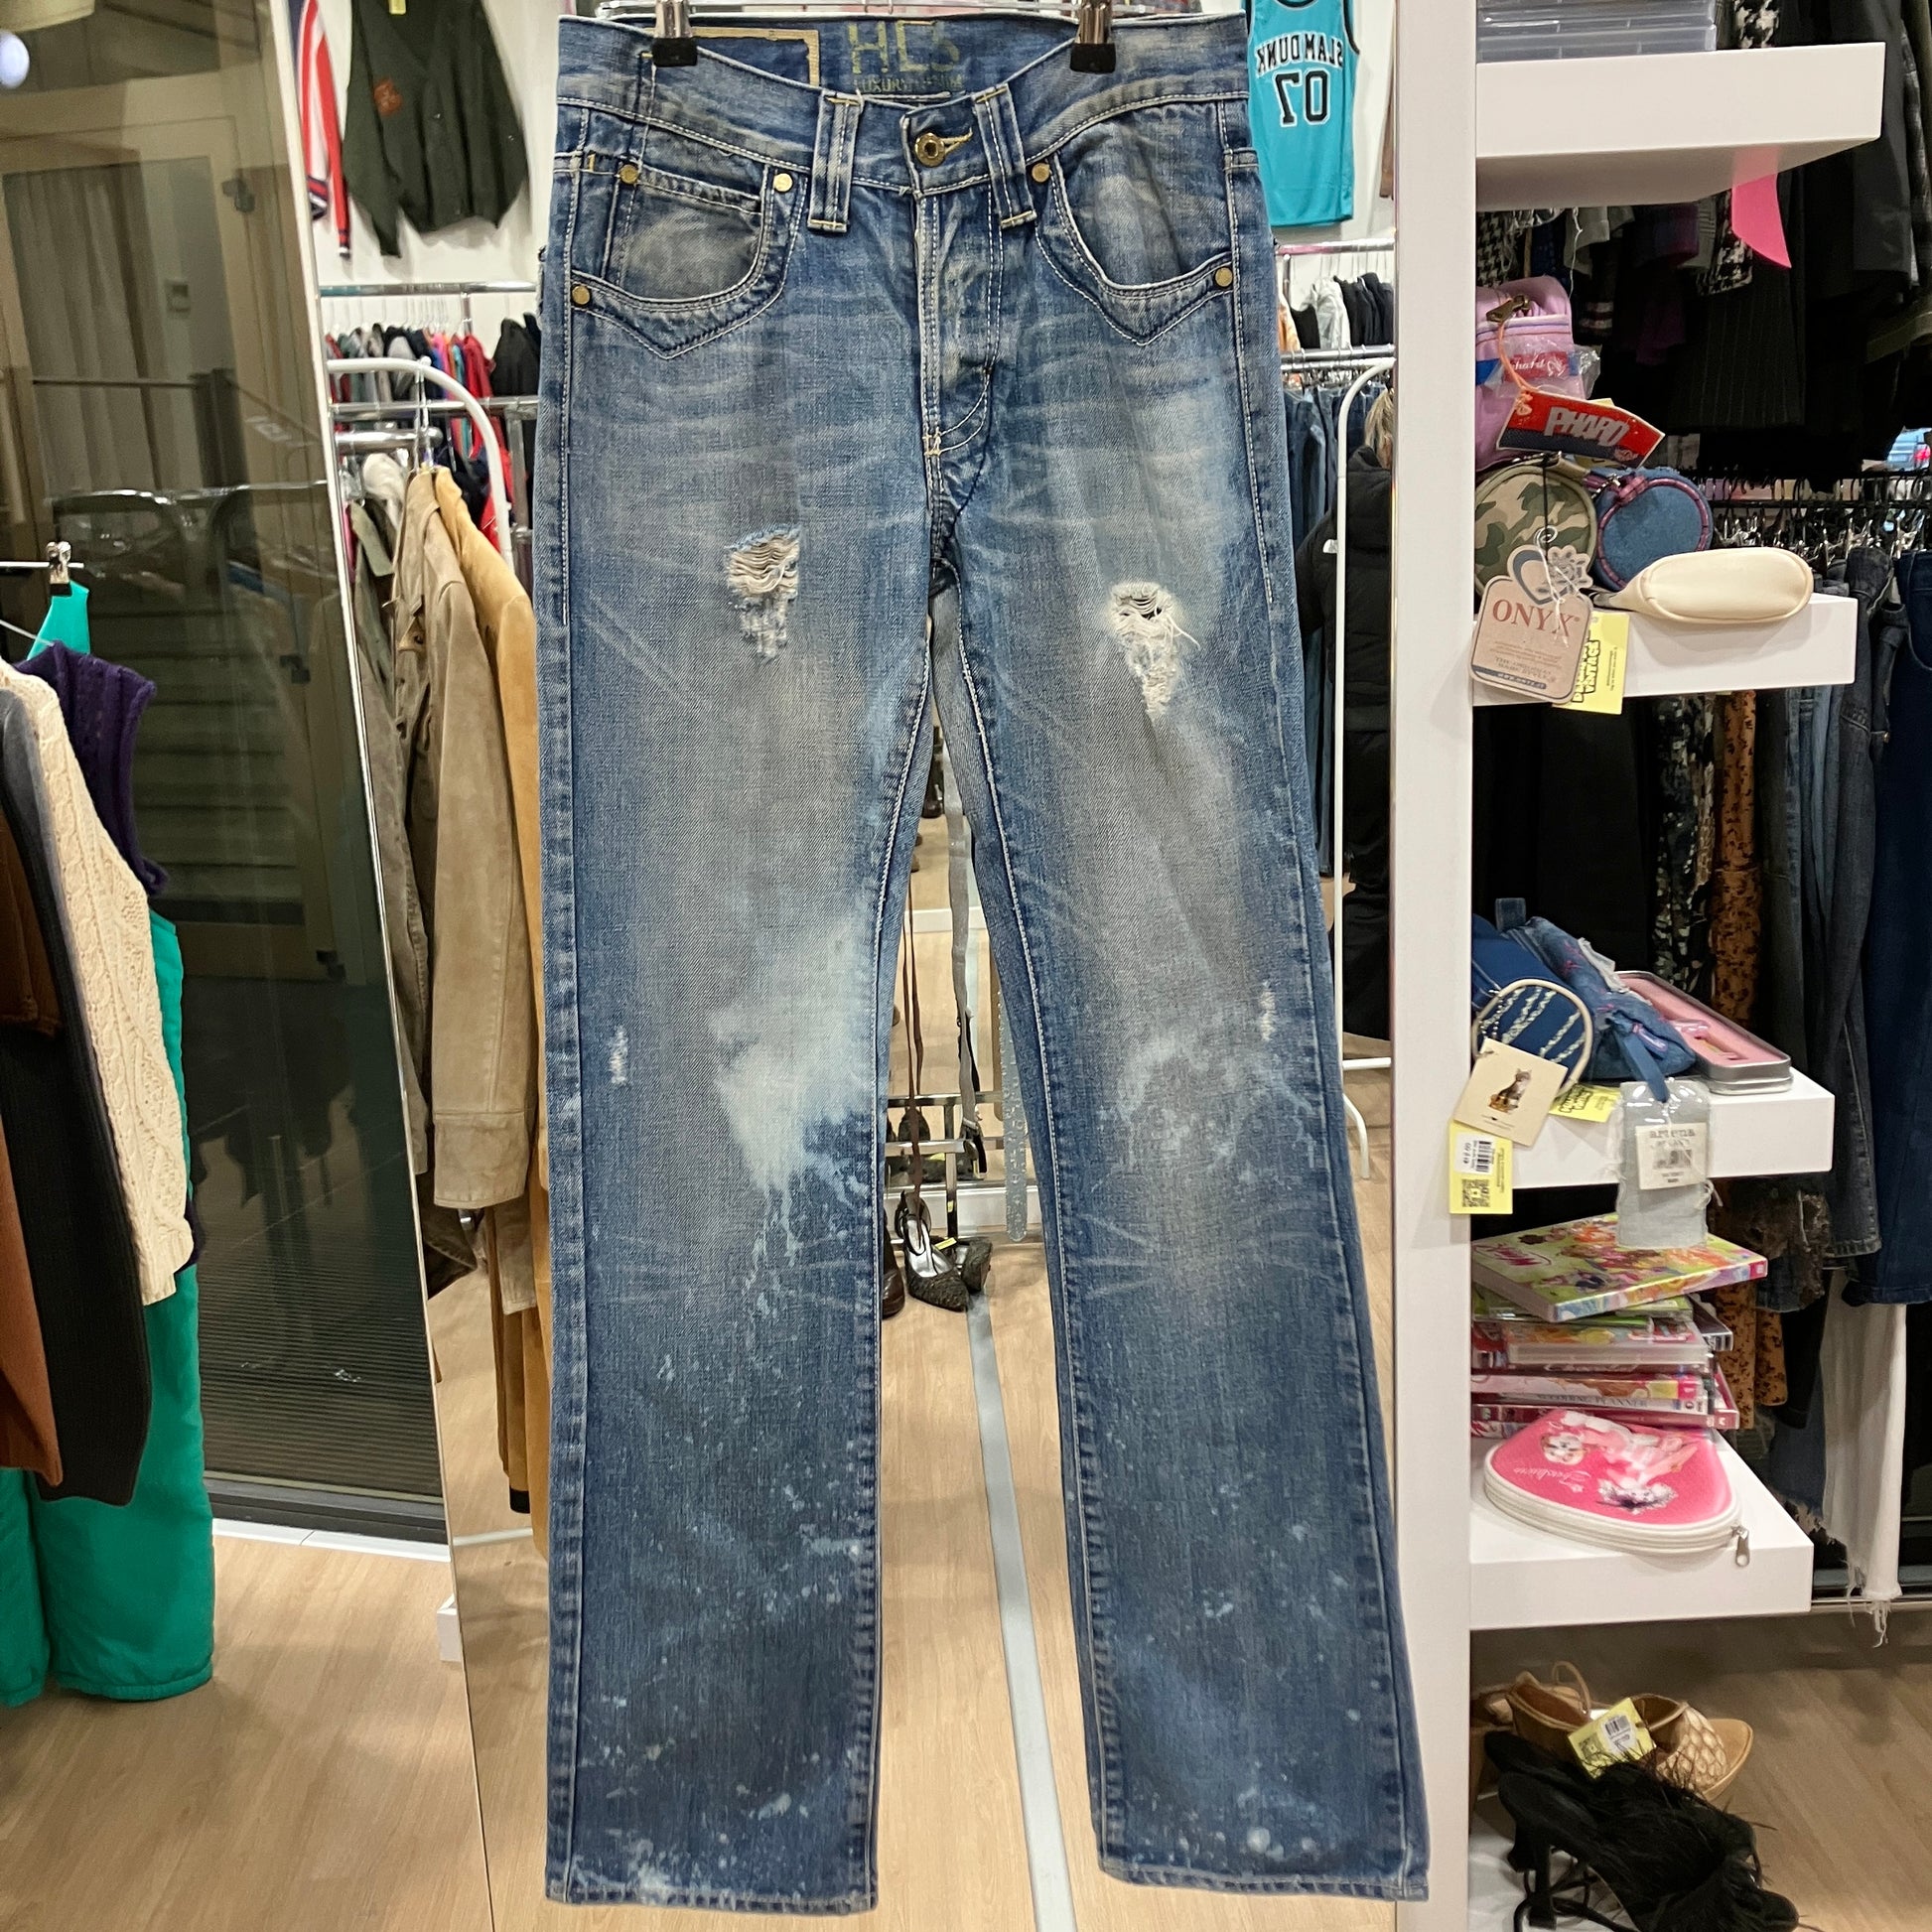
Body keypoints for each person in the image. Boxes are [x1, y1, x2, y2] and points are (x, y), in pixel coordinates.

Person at [1296, 387, 1393, 1039]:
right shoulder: (1451, 523)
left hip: (1358, 735)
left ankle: (1333, 1006)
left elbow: (1291, 620)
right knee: (1420, 883)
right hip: (1431, 730)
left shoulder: (1334, 526)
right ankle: (1347, 1011)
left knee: (1376, 883)